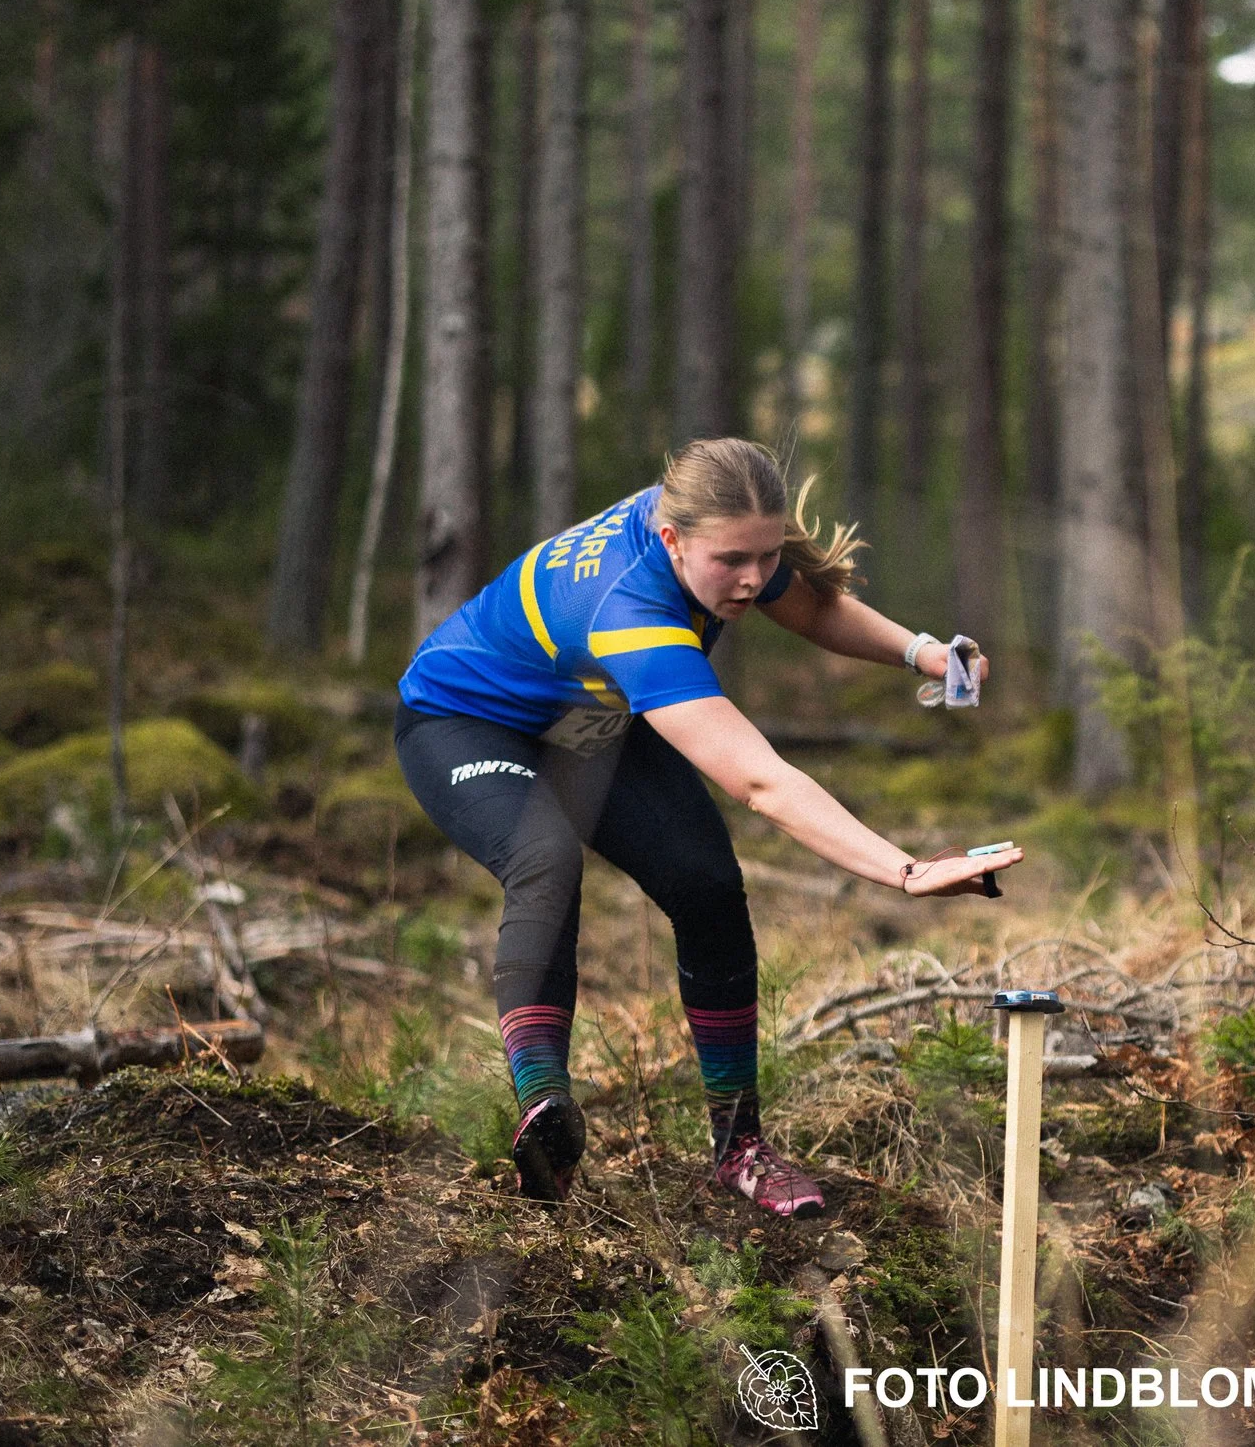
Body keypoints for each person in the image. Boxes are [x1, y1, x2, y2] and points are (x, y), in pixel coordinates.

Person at [394, 437, 1021, 1216]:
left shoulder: (713, 526)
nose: (754, 579)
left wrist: (921, 652)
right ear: (672, 540)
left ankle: (740, 1149)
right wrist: (904, 870)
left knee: (710, 886)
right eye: (734, 562)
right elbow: (761, 782)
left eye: (766, 555)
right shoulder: (630, 610)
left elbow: (813, 604)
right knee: (544, 854)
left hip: (591, 718)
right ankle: (544, 1111)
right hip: (465, 720)